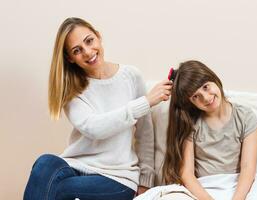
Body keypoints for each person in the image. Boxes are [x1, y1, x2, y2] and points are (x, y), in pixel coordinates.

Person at [23, 17, 172, 200]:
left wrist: (145, 182)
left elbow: (145, 134)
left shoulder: (131, 76)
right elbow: (94, 128)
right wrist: (145, 102)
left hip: (117, 177)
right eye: (77, 50)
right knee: (45, 163)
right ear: (70, 58)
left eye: (89, 41)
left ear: (98, 37)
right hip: (77, 166)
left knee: (59, 188)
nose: (87, 52)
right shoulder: (72, 90)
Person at [162, 60, 257, 200]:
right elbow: (187, 173)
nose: (206, 98)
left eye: (206, 87)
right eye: (196, 96)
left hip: (239, 186)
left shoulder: (245, 117)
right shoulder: (192, 124)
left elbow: (248, 168)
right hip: (205, 189)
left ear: (213, 78)